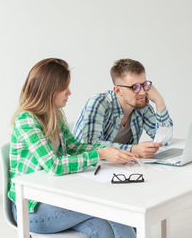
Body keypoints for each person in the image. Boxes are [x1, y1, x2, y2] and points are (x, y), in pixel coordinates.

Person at [8, 58, 137, 238]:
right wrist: (99, 154)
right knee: (114, 211)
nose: (69, 92)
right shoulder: (26, 120)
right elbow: (55, 165)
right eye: (64, 88)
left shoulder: (55, 114)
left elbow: (74, 147)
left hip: (55, 196)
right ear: (49, 90)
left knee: (105, 228)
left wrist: (109, 152)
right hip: (31, 210)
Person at [73, 58, 173, 159]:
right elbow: (90, 145)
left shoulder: (142, 105)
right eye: (135, 87)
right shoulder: (98, 103)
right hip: (87, 168)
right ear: (118, 90)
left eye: (144, 85)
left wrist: (160, 102)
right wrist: (132, 149)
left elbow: (165, 141)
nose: (142, 92)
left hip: (118, 167)